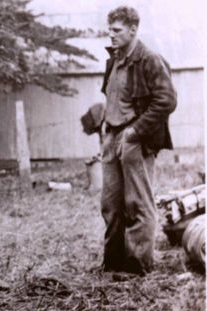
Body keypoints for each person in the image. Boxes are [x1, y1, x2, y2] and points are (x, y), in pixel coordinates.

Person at [100, 6, 176, 274]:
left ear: (133, 29)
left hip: (134, 138)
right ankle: (113, 263)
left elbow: (166, 100)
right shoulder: (114, 58)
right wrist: (104, 127)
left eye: (117, 30)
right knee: (110, 204)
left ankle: (136, 266)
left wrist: (135, 131)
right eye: (110, 29)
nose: (111, 34)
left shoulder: (149, 59)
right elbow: (113, 98)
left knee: (138, 203)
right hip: (111, 137)